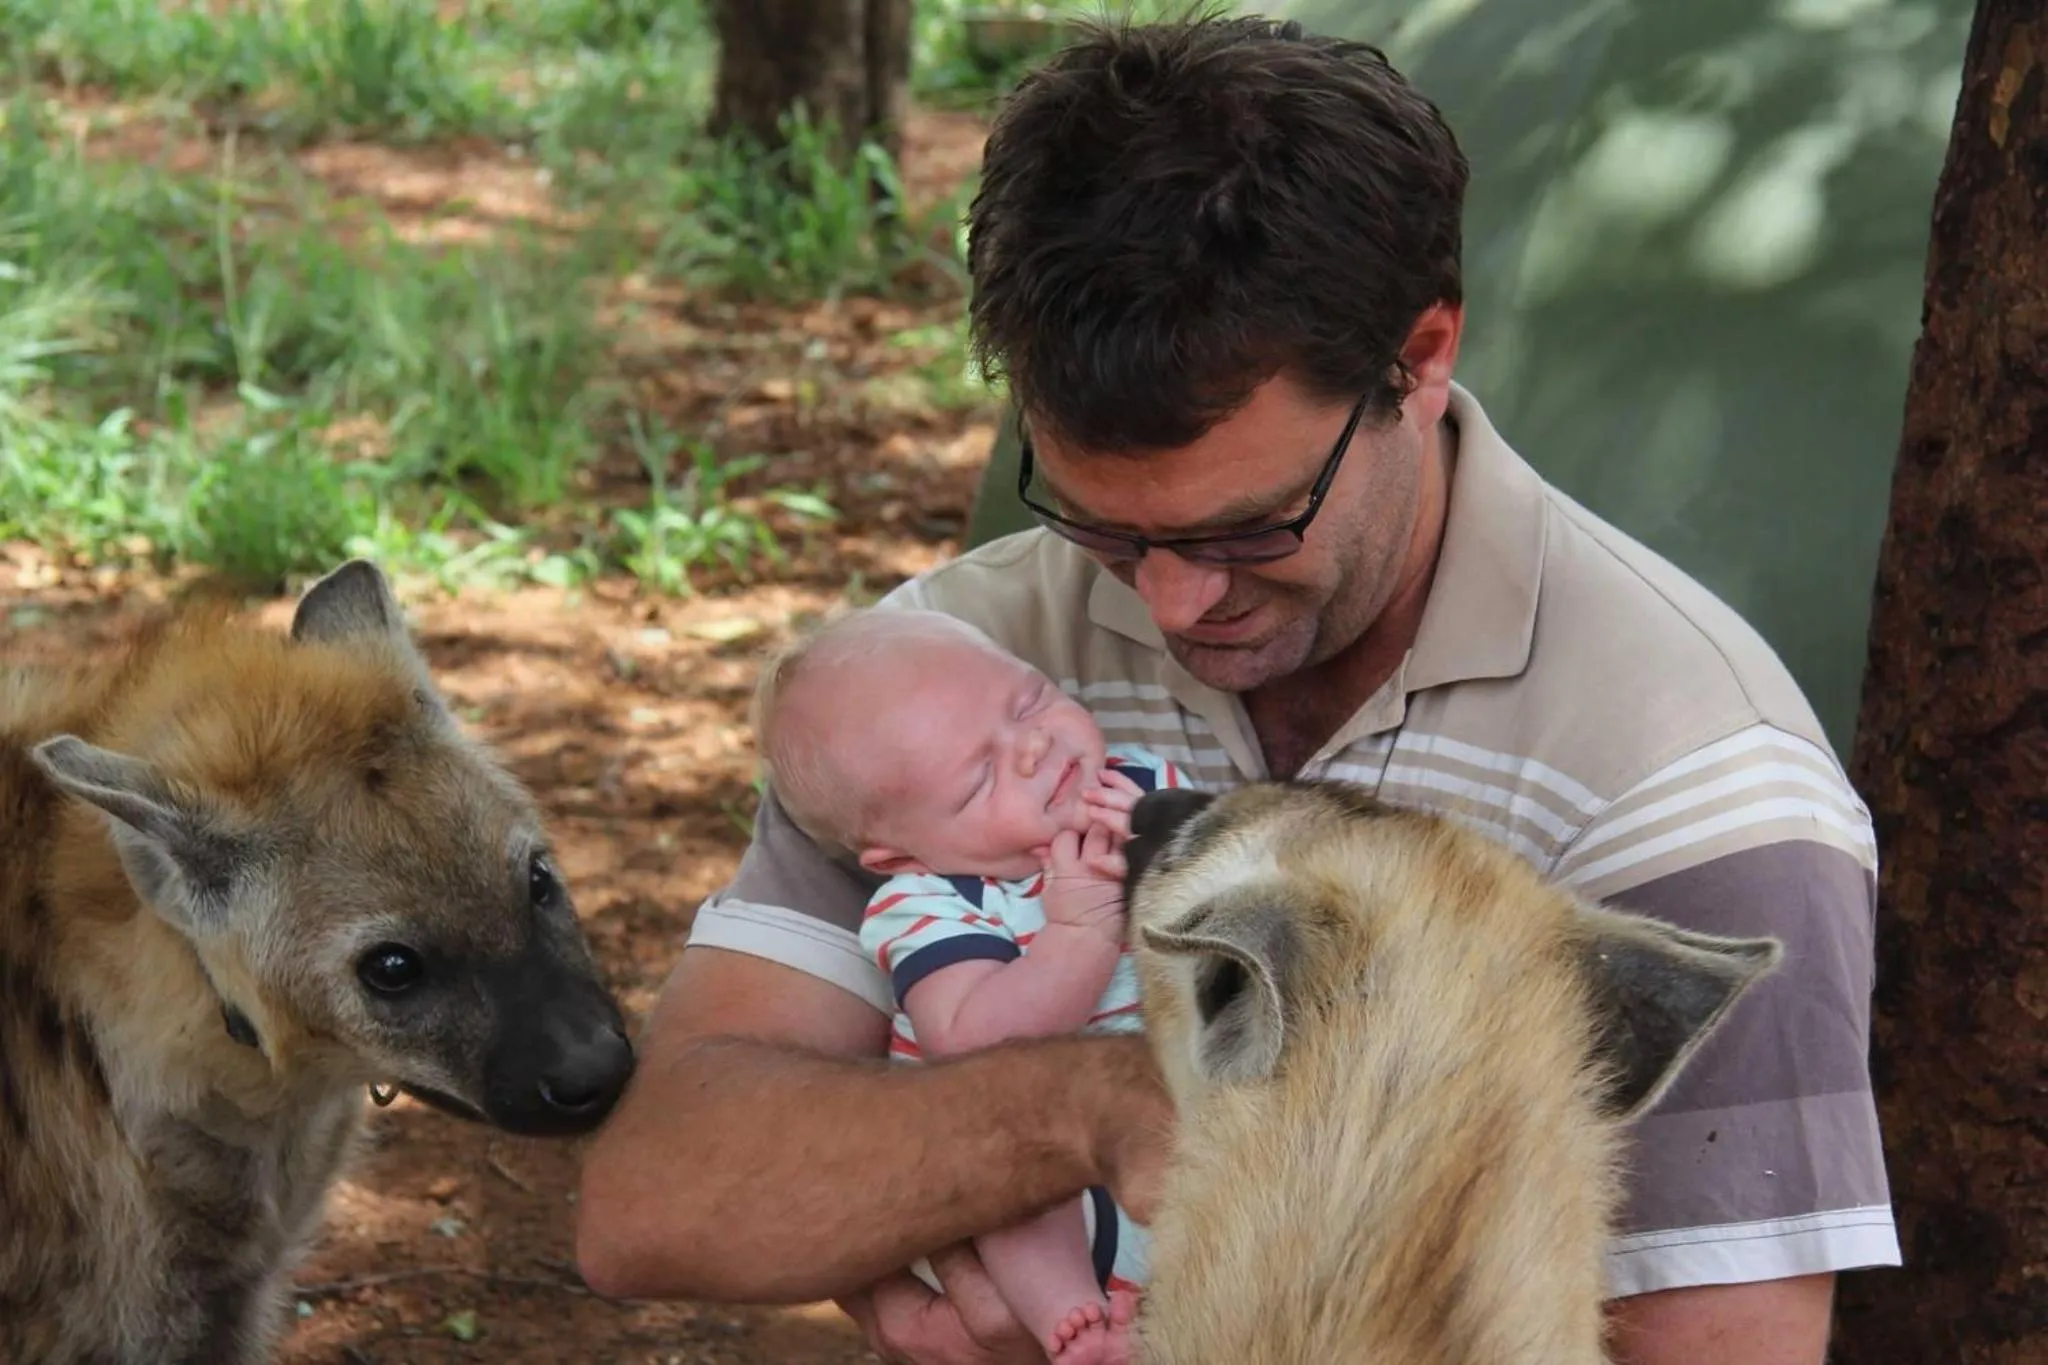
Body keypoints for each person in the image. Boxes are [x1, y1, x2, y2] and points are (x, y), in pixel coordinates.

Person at [574, 14, 1900, 1364]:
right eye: (1095, 520)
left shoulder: (1694, 771)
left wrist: (917, 1166)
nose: (1166, 605)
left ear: (1421, 355)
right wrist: (1089, 1109)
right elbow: (660, 1201)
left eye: (1247, 529)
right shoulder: (944, 677)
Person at [750, 606, 1190, 1363]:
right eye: (981, 775)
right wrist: (1077, 934)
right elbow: (976, 1041)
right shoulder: (934, 904)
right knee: (994, 1182)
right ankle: (1074, 1322)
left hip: (1174, 1127)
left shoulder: (1140, 782)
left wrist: (1179, 832)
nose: (1034, 748)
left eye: (1029, 701)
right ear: (899, 854)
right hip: (1039, 1156)